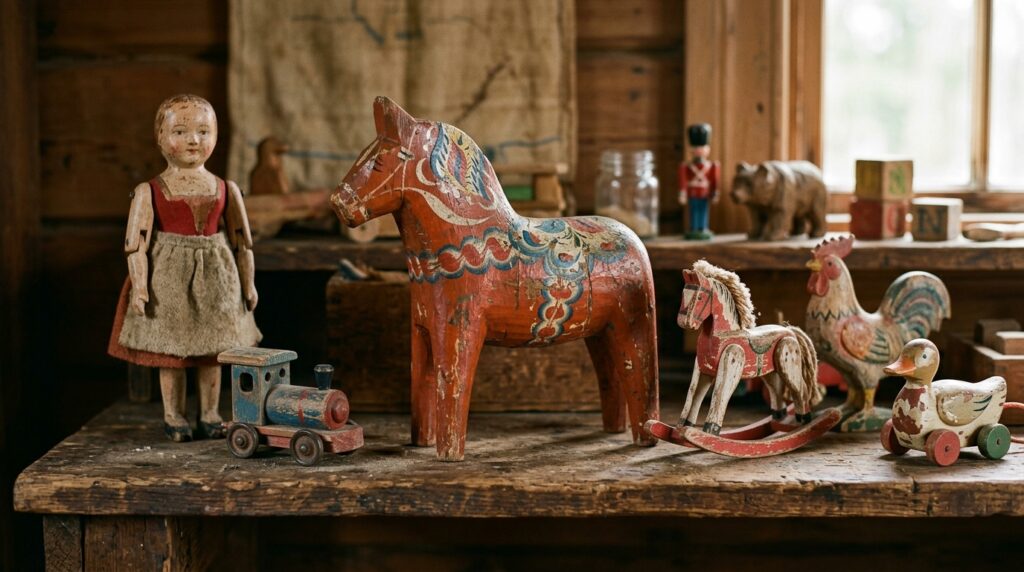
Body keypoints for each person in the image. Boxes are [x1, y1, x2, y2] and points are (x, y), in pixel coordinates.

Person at [108, 94, 261, 441]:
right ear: (160, 137)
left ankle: (210, 413)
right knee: (171, 351)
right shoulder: (149, 191)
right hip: (169, 279)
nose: (194, 140)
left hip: (218, 278)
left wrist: (248, 284)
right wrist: (141, 286)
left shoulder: (226, 188)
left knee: (213, 350)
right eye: (181, 131)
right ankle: (174, 415)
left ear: (216, 136)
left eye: (204, 131)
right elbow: (136, 244)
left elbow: (242, 241)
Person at [679, 123, 720, 240]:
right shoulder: (686, 167)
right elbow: (683, 180)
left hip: (704, 192)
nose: (699, 150)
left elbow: (714, 180)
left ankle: (703, 227)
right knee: (694, 211)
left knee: (703, 211)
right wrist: (682, 193)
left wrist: (715, 192)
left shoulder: (712, 166)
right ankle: (694, 227)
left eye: (701, 148)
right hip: (693, 192)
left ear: (707, 149)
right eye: (697, 148)